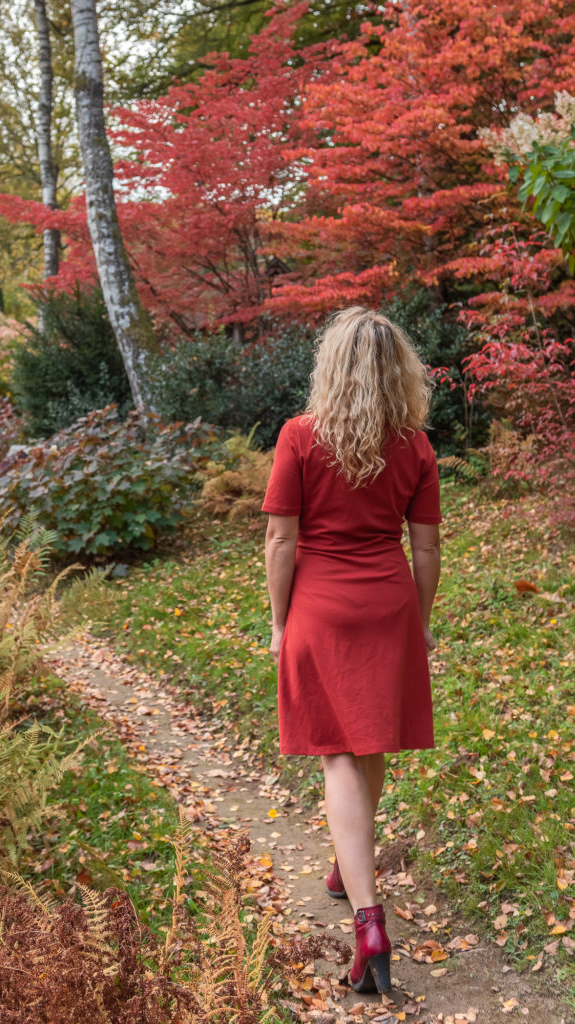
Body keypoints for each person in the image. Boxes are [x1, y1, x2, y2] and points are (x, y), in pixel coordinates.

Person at [262, 306, 442, 995]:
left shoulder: (300, 438)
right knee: (369, 743)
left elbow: (281, 541)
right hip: (388, 602)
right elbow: (425, 547)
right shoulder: (416, 446)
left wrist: (281, 622)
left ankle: (368, 921)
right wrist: (419, 619)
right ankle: (351, 860)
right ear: (400, 371)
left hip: (322, 607)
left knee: (340, 748)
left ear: (329, 368)